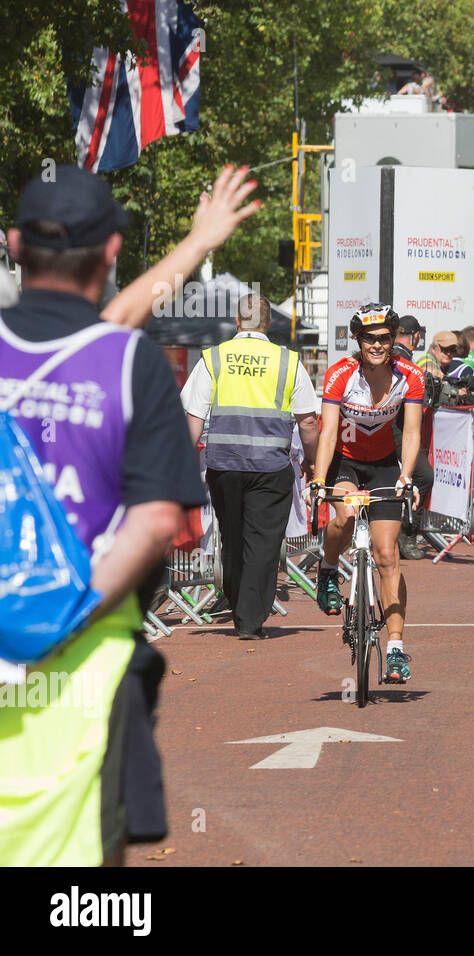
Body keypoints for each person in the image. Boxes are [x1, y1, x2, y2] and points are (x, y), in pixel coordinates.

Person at [0, 164, 226, 865]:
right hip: (87, 670)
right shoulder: (131, 366)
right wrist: (57, 611)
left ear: (13, 246)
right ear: (111, 251)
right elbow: (157, 521)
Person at [180, 293, 320, 638]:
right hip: (270, 466)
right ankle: (250, 618)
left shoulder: (214, 358)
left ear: (237, 322)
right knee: (264, 541)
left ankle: (237, 600)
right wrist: (313, 461)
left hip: (224, 465)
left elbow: (194, 417)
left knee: (231, 535)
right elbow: (309, 423)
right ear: (268, 324)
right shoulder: (288, 361)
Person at [311, 303, 424, 683]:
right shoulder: (341, 374)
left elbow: (410, 433)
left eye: (384, 338)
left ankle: (395, 649)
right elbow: (326, 433)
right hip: (344, 462)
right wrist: (317, 478)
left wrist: (406, 476)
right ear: (357, 340)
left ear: (393, 340)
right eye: (369, 338)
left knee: (387, 554)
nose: (377, 345)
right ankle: (327, 569)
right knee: (343, 515)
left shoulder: (409, 375)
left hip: (383, 465)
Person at [392, 314, 438, 560]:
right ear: (416, 337)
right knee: (422, 476)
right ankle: (407, 533)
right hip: (397, 429)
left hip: (380, 427)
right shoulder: (405, 360)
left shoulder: (389, 355)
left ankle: (398, 531)